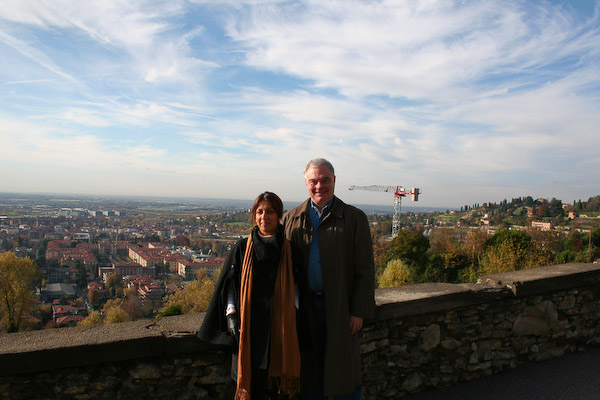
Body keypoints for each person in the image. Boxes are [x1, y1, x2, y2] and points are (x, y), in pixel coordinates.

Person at [282, 158, 375, 400]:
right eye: (313, 181)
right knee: (309, 370)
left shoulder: (354, 218)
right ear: (306, 183)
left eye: (325, 180)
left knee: (345, 369)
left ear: (334, 181)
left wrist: (358, 311)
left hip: (340, 306)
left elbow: (365, 269)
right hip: (305, 308)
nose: (319, 186)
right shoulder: (290, 219)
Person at [198, 191, 302, 400]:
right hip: (247, 330)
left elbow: (297, 288)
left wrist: (292, 315)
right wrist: (231, 315)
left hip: (278, 332)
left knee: (275, 392)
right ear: (254, 215)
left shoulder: (290, 250)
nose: (264, 217)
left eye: (270, 211)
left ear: (279, 215)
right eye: (260, 211)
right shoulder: (242, 248)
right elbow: (230, 286)